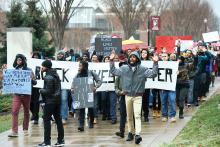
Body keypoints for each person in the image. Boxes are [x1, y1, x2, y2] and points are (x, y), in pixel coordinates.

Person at [109, 51, 158, 144]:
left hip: (138, 96)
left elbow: (153, 74)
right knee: (129, 116)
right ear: (128, 59)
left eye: (134, 57)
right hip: (127, 95)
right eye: (130, 57)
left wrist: (155, 63)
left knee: (137, 115)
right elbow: (113, 71)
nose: (132, 58)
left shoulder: (143, 69)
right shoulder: (123, 68)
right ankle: (130, 133)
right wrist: (111, 60)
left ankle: (138, 134)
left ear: (137, 59)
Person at [8, 54, 36, 137]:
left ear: (23, 61)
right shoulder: (14, 70)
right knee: (14, 111)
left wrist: (31, 79)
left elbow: (35, 82)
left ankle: (25, 129)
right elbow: (10, 82)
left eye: (20, 60)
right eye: (17, 60)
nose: (18, 61)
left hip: (26, 94)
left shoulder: (29, 70)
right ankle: (14, 131)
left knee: (26, 111)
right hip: (17, 94)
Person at [38, 60, 64, 147]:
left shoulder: (48, 77)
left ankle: (47, 142)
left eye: (43, 66)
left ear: (46, 67)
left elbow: (48, 91)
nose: (41, 67)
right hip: (57, 100)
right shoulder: (55, 74)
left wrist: (41, 90)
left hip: (50, 101)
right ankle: (61, 141)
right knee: (58, 120)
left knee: (46, 120)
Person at [71, 60, 102, 131]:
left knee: (91, 108)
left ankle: (91, 122)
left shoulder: (91, 73)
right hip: (81, 93)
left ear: (84, 66)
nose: (79, 67)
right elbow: (73, 82)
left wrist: (96, 87)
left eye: (80, 66)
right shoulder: (78, 74)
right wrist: (72, 88)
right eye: (79, 65)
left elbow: (99, 81)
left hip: (90, 93)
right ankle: (81, 125)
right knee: (81, 109)